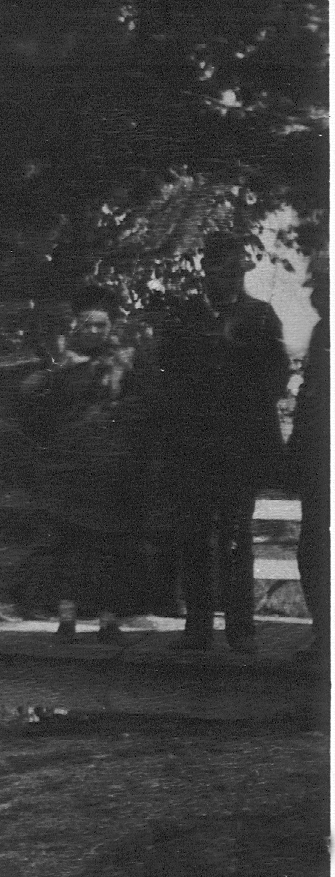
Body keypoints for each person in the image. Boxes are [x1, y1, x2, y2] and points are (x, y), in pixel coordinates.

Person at [138, 230, 289, 651]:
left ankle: (241, 630)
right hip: (193, 448)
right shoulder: (185, 316)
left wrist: (243, 371)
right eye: (215, 266)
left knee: (235, 537)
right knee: (194, 537)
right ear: (205, 270)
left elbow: (277, 379)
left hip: (238, 449)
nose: (223, 275)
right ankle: (198, 628)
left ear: (241, 270)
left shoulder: (261, 316)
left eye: (232, 266)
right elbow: (162, 373)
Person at [17, 285, 145, 643]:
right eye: (87, 325)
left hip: (108, 467)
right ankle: (67, 620)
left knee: (108, 545)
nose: (93, 332)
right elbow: (33, 409)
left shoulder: (125, 362)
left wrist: (118, 424)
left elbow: (140, 406)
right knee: (66, 545)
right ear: (75, 325)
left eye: (101, 326)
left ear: (111, 327)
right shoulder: (59, 362)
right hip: (68, 467)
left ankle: (108, 620)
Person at [296, 254, 326, 653]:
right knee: (314, 548)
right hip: (319, 465)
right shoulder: (322, 333)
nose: (320, 296)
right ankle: (324, 632)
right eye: (317, 287)